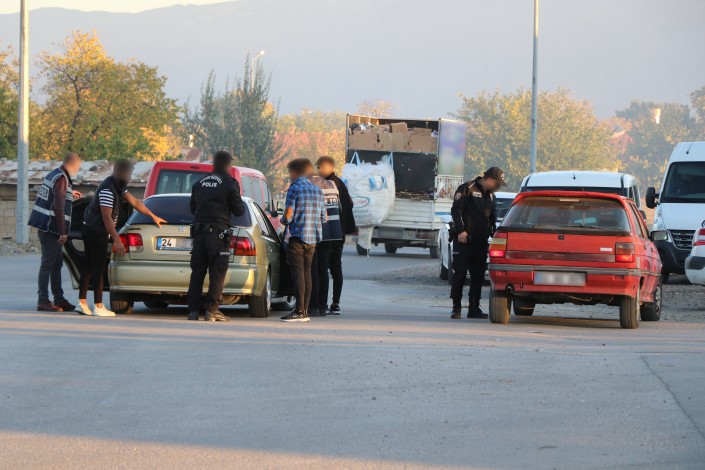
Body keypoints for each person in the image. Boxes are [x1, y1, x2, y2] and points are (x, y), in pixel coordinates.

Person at [76, 159, 166, 317]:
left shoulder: (119, 186)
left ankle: (82, 303)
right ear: (120, 172)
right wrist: (117, 240)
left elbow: (135, 202)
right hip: (96, 231)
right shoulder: (107, 190)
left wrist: (153, 216)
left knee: (90, 266)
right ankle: (98, 306)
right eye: (129, 173)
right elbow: (107, 219)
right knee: (97, 268)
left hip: (94, 229)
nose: (130, 176)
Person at [187, 151, 245, 322]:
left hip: (199, 235)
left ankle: (192, 311)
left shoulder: (198, 183)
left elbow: (192, 209)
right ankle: (212, 311)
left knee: (197, 272)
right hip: (218, 235)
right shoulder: (230, 184)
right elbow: (239, 211)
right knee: (217, 273)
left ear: (213, 163)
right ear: (229, 165)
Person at [28, 152, 83, 312]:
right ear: (71, 165)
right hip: (50, 228)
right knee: (48, 264)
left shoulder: (55, 175)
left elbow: (56, 195)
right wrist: (63, 231)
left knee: (56, 264)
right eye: (78, 166)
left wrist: (69, 193)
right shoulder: (61, 179)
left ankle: (59, 298)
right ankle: (43, 300)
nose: (78, 169)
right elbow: (58, 207)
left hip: (47, 226)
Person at [449, 167, 505, 320]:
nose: (497, 186)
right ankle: (456, 307)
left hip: (481, 243)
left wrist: (495, 234)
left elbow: (492, 218)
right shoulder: (467, 188)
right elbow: (456, 211)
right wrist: (461, 231)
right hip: (464, 241)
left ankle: (474, 308)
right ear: (489, 179)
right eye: (497, 183)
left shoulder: (491, 196)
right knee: (459, 274)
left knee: (478, 277)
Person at [280, 158, 327, 323]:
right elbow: (324, 217)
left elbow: (288, 215)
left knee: (298, 274)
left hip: (297, 238)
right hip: (312, 239)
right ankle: (304, 310)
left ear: (294, 172)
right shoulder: (317, 190)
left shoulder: (294, 189)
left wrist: (283, 221)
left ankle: (299, 311)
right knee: (307, 273)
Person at [316, 156, 356, 314]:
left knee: (323, 268)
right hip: (339, 233)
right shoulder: (341, 184)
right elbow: (350, 204)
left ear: (326, 168)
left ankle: (322, 303)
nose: (318, 171)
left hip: (327, 233)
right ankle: (335, 303)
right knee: (336, 268)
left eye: (319, 168)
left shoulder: (327, 185)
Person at [305, 159, 343, 316]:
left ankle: (314, 305)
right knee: (324, 268)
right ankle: (322, 305)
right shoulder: (333, 185)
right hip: (334, 231)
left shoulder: (313, 186)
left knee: (315, 267)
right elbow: (339, 208)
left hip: (321, 230)